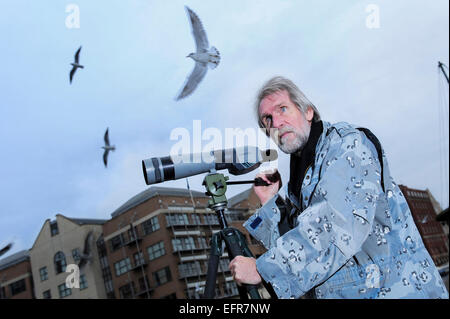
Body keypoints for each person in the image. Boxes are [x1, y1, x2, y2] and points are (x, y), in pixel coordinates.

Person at [228, 76, 449, 299]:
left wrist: (263, 269)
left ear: (308, 112)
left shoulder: (346, 145)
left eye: (282, 109)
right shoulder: (300, 178)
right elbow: (303, 250)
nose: (276, 123)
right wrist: (270, 201)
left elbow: (335, 228)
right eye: (267, 119)